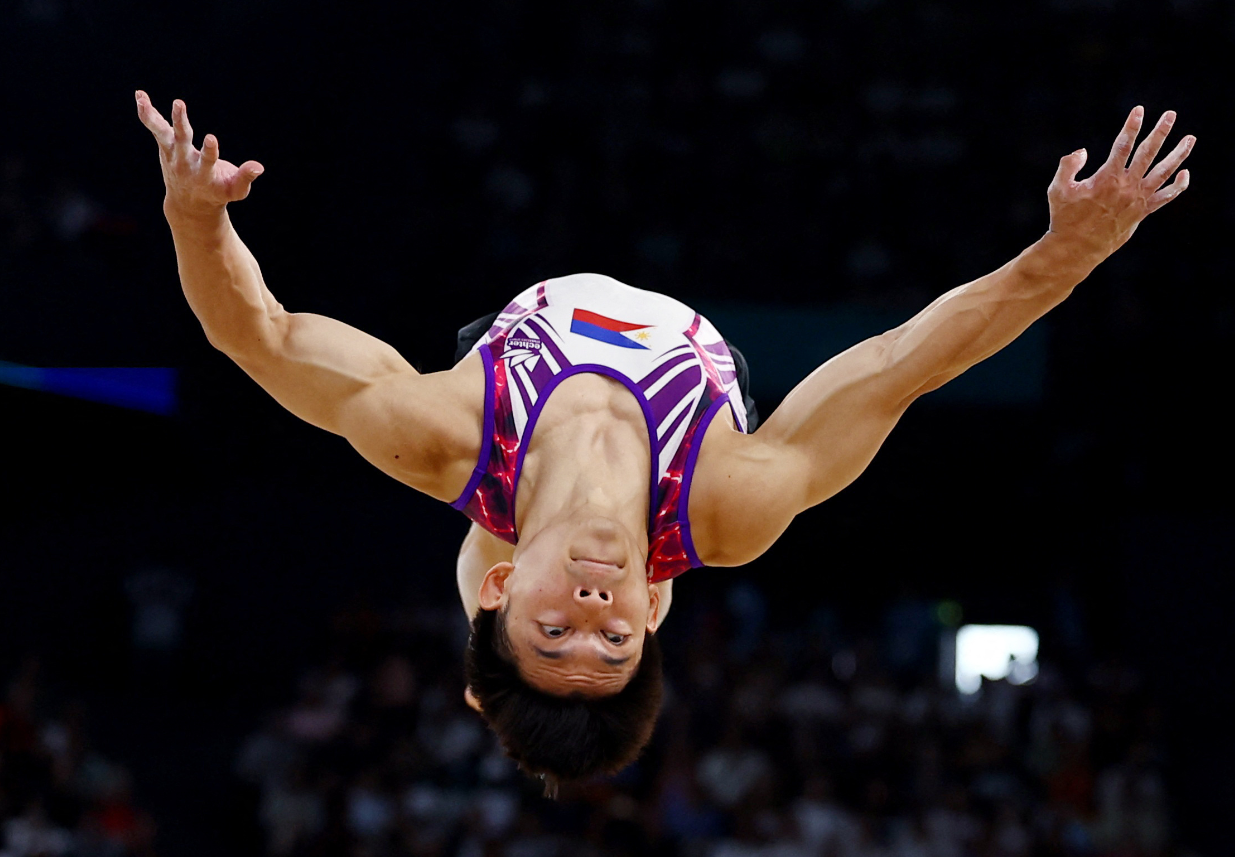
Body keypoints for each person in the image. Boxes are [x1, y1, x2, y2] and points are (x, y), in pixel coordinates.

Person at [135, 91, 1193, 789]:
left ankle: (489, 638)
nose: (589, 617)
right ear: (648, 611)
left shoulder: (438, 435)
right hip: (682, 408)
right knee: (569, 567)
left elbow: (259, 336)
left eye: (556, 635)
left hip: (506, 373)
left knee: (476, 526)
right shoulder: (734, 499)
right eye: (614, 639)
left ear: (507, 596)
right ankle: (512, 662)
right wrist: (1066, 252)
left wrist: (195, 217)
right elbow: (909, 359)